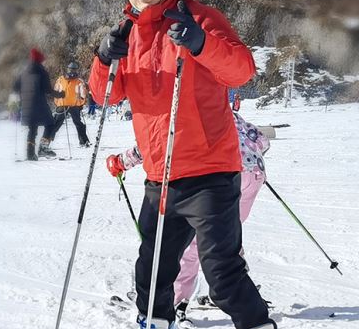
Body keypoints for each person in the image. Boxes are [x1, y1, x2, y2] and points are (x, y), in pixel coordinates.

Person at [88, 0, 301, 329]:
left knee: (222, 275)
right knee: (152, 273)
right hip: (161, 176)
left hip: (210, 171)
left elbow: (241, 70)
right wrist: (103, 58)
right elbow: (104, 96)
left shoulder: (200, 17)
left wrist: (201, 43)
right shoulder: (128, 32)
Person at [107, 109, 270, 317]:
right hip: (253, 175)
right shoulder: (222, 109)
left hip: (221, 175)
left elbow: (152, 145)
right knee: (225, 236)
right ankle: (238, 293)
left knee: (192, 242)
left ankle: (175, 299)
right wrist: (249, 157)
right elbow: (262, 140)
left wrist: (120, 162)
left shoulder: (180, 112)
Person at [45, 60, 91, 150]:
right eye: (72, 69)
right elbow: (83, 95)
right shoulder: (75, 81)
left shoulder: (64, 80)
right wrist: (81, 103)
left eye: (73, 69)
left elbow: (56, 92)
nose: (72, 71)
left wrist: (57, 103)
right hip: (70, 105)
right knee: (76, 123)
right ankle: (84, 141)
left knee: (58, 123)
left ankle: (46, 142)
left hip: (67, 105)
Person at [18, 48, 55, 160]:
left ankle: (30, 154)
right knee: (50, 124)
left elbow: (16, 87)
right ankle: (43, 148)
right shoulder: (41, 72)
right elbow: (48, 90)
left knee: (32, 129)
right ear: (40, 60)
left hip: (26, 106)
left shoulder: (24, 72)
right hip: (39, 105)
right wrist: (60, 94)